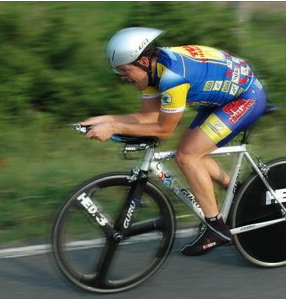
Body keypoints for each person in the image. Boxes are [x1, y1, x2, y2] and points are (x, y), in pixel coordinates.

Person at [81, 27, 267, 256]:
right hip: (221, 98)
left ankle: (216, 228)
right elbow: (147, 118)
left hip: (246, 97)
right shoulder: (153, 72)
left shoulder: (172, 77)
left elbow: (163, 129)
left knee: (187, 156)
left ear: (143, 61)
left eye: (125, 70)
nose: (123, 77)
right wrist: (108, 119)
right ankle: (238, 191)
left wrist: (114, 127)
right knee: (190, 151)